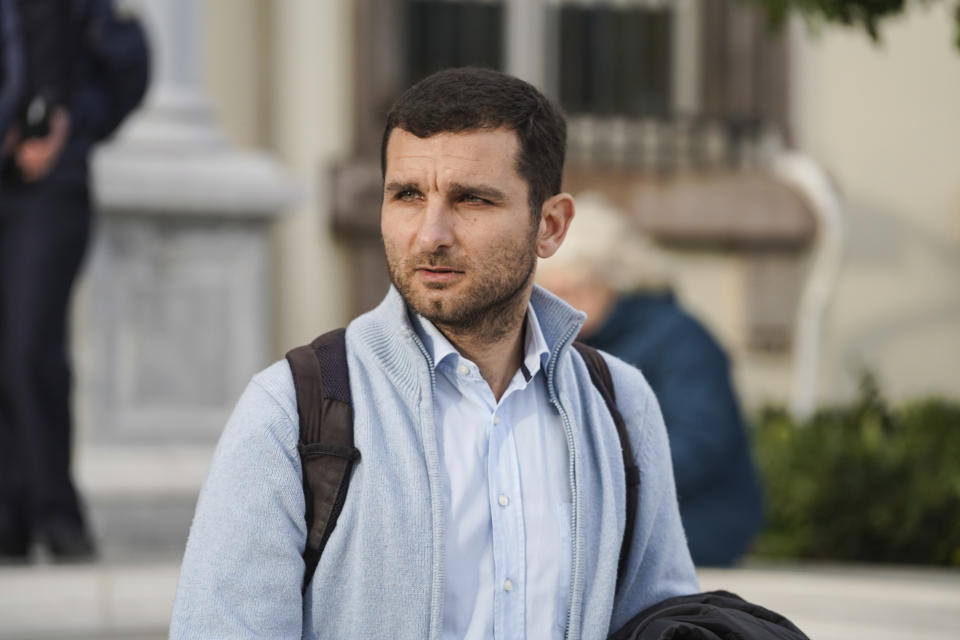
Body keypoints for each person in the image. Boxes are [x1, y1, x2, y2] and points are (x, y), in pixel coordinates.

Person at [170, 67, 698, 639]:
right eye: (407, 196)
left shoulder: (619, 404)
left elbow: (664, 622)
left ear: (549, 225)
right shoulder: (291, 410)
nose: (430, 235)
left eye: (472, 199)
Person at [537, 193, 765, 566]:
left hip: (694, 520)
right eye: (552, 293)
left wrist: (603, 481)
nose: (563, 304)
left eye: (577, 290)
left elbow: (700, 443)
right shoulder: (568, 343)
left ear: (616, 281)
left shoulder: (679, 338)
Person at [0, 0, 148, 560]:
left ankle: (56, 515)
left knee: (28, 351)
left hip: (45, 192)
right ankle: (9, 520)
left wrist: (69, 129)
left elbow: (131, 62)